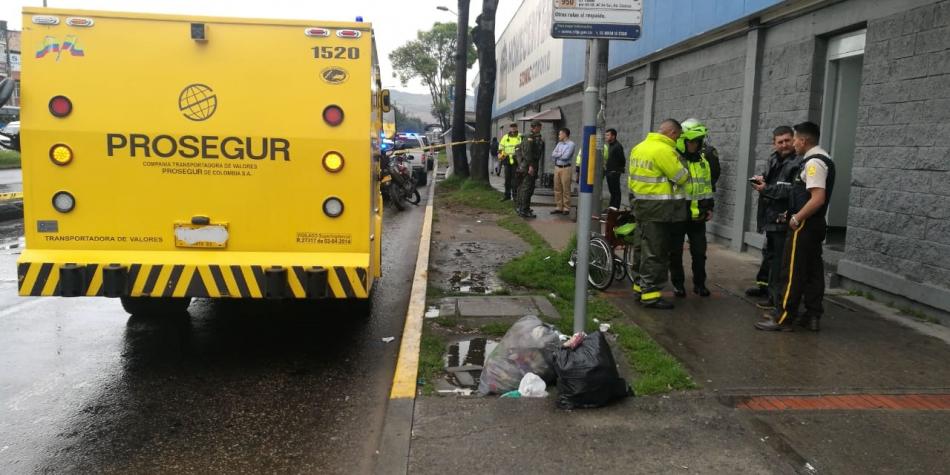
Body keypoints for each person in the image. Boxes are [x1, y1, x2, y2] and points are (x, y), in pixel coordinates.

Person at [756, 121, 835, 332]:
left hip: (805, 226)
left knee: (790, 272)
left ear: (804, 140)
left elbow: (817, 198)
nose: (793, 144)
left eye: (795, 139)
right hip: (814, 225)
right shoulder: (822, 159)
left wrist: (796, 218)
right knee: (812, 271)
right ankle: (812, 315)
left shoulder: (813, 163)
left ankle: (783, 317)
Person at [628, 119, 689, 309]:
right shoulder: (664, 150)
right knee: (656, 251)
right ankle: (651, 295)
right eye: (678, 136)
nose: (678, 140)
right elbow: (681, 176)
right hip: (659, 209)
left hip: (640, 204)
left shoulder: (639, 147)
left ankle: (639, 287)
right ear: (671, 133)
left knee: (641, 247)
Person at [747, 126, 800, 309]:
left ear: (794, 139)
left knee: (779, 259)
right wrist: (761, 180)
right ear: (774, 143)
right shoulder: (773, 158)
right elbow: (773, 182)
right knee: (769, 255)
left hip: (783, 218)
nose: (784, 144)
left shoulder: (798, 162)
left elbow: (793, 190)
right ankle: (765, 288)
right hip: (770, 216)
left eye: (787, 140)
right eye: (780, 141)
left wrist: (766, 188)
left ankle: (775, 299)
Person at [668, 123, 714, 298]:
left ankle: (700, 284)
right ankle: (678, 285)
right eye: (693, 141)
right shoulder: (674, 160)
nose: (696, 144)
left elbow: (708, 186)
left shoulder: (703, 162)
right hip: (678, 214)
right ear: (683, 141)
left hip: (698, 215)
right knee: (675, 253)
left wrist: (709, 207)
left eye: (698, 141)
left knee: (699, 253)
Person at [681, 118, 721, 191]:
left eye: (697, 141)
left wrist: (705, 188)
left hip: (703, 196)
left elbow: (714, 173)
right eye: (691, 141)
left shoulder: (708, 152)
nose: (694, 145)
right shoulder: (678, 156)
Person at [517, 120, 544, 218]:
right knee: (527, 188)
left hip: (528, 165)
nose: (541, 128)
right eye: (539, 126)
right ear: (535, 127)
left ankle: (523, 207)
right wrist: (531, 166)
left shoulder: (533, 137)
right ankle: (524, 210)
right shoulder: (529, 137)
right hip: (528, 166)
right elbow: (528, 153)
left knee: (528, 188)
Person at [549, 127, 576, 215]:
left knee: (566, 188)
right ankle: (558, 206)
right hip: (557, 167)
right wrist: (560, 154)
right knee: (557, 188)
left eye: (560, 134)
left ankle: (566, 208)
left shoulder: (571, 144)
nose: (559, 135)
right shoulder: (559, 144)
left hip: (566, 168)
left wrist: (558, 154)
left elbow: (566, 157)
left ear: (565, 134)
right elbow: (553, 154)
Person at [498, 123, 522, 201]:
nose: (513, 128)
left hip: (516, 160)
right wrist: (500, 154)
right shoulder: (505, 137)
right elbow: (501, 147)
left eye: (514, 127)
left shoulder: (520, 136)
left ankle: (515, 196)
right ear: (509, 128)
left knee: (515, 179)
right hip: (507, 160)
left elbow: (523, 147)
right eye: (512, 127)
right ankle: (507, 195)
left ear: (517, 127)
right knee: (507, 179)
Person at [604, 128, 625, 210]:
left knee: (616, 192)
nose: (606, 137)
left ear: (613, 136)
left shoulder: (617, 146)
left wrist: (616, 170)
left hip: (614, 172)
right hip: (609, 172)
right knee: (612, 192)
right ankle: (611, 208)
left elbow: (622, 160)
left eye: (608, 135)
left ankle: (615, 209)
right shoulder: (610, 146)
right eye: (606, 135)